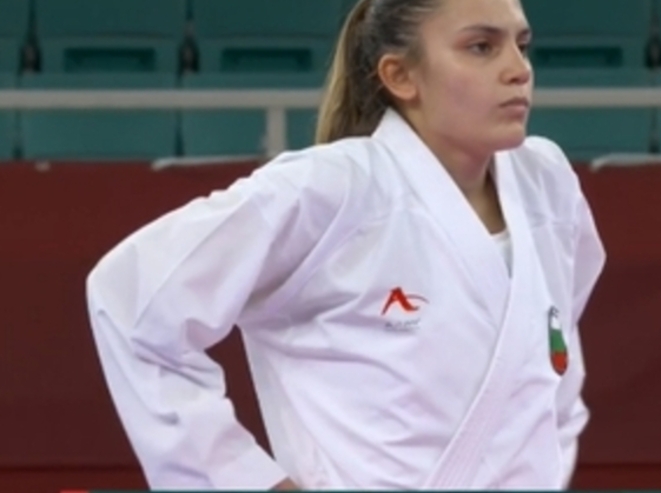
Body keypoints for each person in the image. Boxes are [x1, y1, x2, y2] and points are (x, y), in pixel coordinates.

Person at [85, 0, 606, 489]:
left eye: (522, 44)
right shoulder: (333, 189)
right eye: (481, 47)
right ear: (400, 76)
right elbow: (128, 296)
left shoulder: (547, 182)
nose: (518, 69)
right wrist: (247, 481)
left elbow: (551, 365)